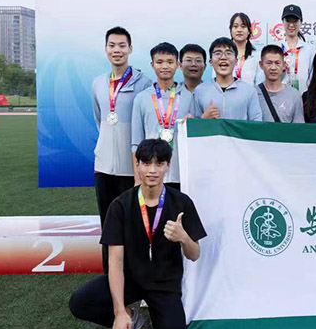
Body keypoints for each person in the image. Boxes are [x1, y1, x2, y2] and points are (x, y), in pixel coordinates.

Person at [69, 139, 207, 329]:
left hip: (164, 284)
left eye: (159, 163)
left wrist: (183, 238)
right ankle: (131, 317)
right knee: (80, 303)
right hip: (130, 280)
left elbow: (194, 254)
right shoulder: (120, 205)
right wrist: (119, 312)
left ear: (168, 166)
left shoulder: (182, 202)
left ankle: (157, 313)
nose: (152, 170)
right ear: (138, 165)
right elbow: (115, 262)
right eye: (146, 163)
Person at [92, 26, 152, 272]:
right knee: (108, 226)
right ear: (106, 49)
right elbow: (101, 120)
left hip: (132, 171)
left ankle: (135, 281)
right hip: (104, 167)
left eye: (122, 45)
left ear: (130, 49)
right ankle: (110, 279)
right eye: (112, 45)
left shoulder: (143, 83)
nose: (116, 50)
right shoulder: (98, 83)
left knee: (134, 226)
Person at [132, 42, 195, 191]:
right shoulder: (141, 98)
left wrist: (194, 123)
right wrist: (137, 178)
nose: (165, 66)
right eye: (159, 62)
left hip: (181, 174)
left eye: (170, 62)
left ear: (178, 65)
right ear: (152, 64)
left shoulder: (190, 97)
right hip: (151, 173)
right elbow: (135, 142)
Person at [192, 37, 262, 121]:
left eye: (228, 53)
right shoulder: (200, 90)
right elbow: (193, 124)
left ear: (236, 61)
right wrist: (203, 119)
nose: (223, 57)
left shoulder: (249, 91)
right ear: (211, 62)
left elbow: (256, 124)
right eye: (218, 53)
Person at [257, 44, 305, 123]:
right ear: (261, 65)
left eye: (277, 63)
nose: (273, 68)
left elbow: (298, 127)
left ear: (284, 65)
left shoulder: (294, 95)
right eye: (269, 63)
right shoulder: (253, 94)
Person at [279, 4, 316, 93]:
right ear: (283, 22)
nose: (291, 25)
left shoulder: (310, 50)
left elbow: (312, 77)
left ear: (301, 23)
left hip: (304, 98)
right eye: (288, 21)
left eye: (295, 21)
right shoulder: (277, 49)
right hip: (279, 97)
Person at [229, 12, 261, 85]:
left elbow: (259, 83)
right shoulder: (223, 55)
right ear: (231, 30)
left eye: (243, 26)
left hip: (251, 92)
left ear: (249, 31)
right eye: (235, 26)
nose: (239, 30)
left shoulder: (257, 56)